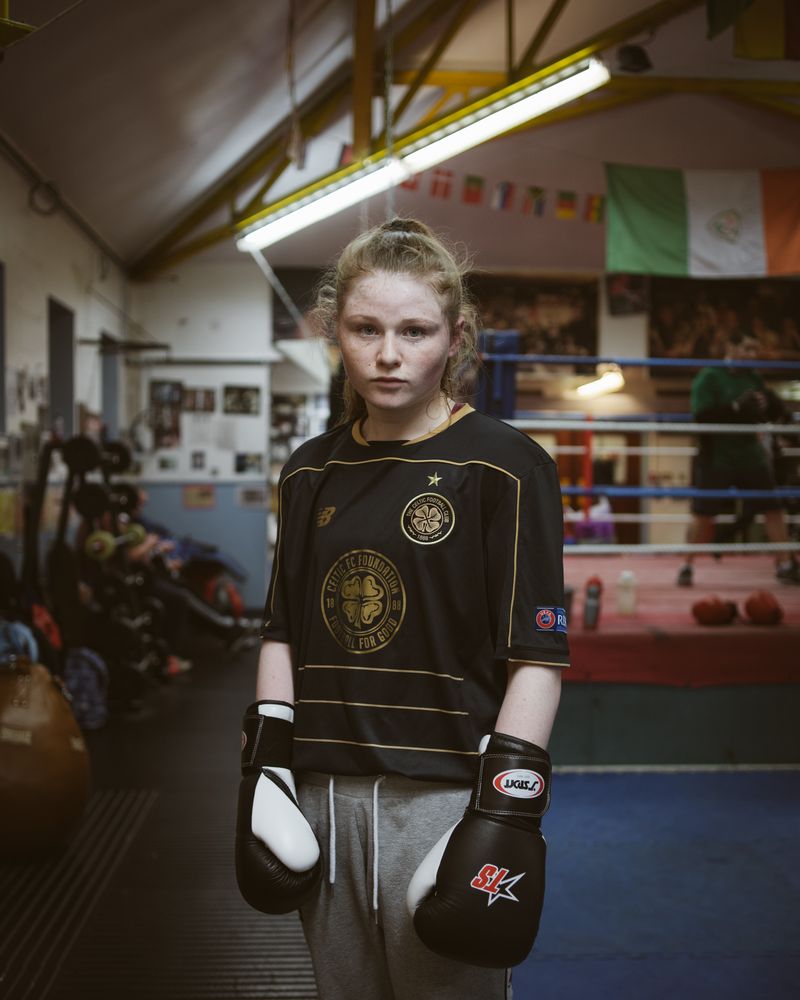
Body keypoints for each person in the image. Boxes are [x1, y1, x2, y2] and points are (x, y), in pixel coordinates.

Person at [235, 218, 569, 1000]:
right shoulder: (308, 470)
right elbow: (281, 628)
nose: (389, 354)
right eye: (366, 328)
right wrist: (268, 768)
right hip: (322, 794)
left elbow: (539, 654)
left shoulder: (507, 466)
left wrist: (504, 811)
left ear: (454, 338)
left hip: (447, 793)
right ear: (334, 333)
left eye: (414, 331)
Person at [676, 330, 798, 587]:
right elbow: (702, 418)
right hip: (718, 456)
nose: (752, 355)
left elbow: (773, 408)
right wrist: (735, 408)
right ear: (730, 347)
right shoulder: (709, 377)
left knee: (773, 507)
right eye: (747, 349)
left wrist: (770, 406)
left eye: (755, 350)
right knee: (703, 513)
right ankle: (686, 565)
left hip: (751, 456)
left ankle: (786, 563)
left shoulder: (753, 378)